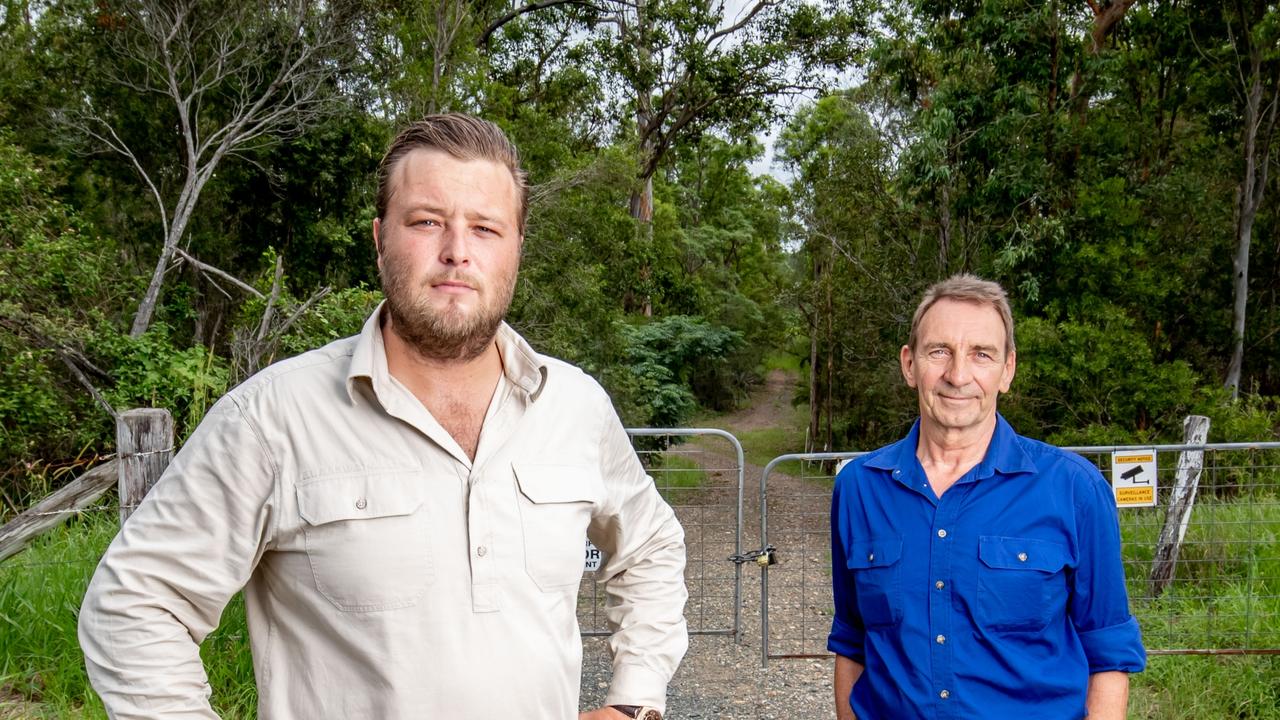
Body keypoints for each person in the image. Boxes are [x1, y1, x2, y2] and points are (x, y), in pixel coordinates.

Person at [79, 114, 686, 720]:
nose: (456, 252)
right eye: (427, 222)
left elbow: (651, 545)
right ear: (380, 238)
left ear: (517, 248)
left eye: (485, 228)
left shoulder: (575, 406)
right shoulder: (272, 419)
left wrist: (634, 702)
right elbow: (136, 602)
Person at [828, 274, 1145, 720]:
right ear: (909, 364)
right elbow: (851, 640)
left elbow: (1109, 653)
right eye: (939, 351)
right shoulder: (859, 487)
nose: (958, 375)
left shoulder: (1075, 489)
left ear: (1007, 370)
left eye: (981, 354)